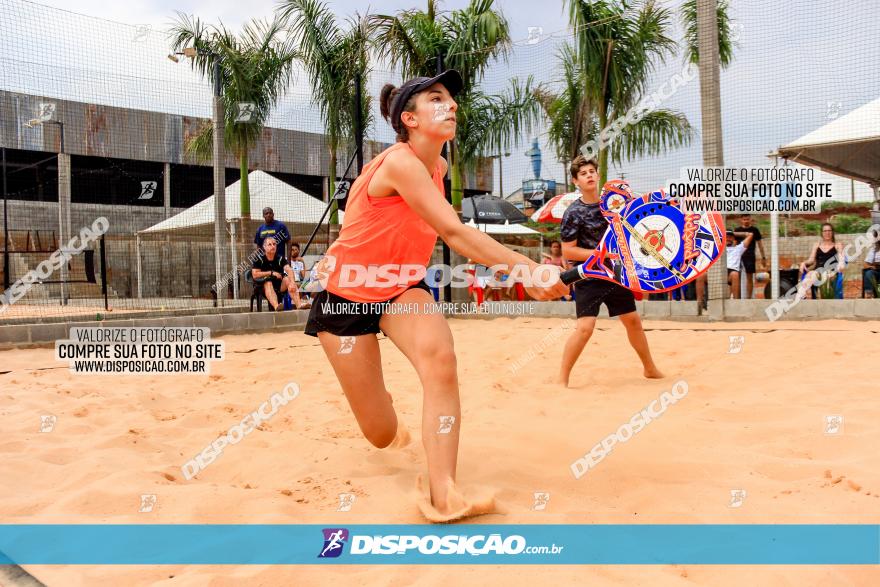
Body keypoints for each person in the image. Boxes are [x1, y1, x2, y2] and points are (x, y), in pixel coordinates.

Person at [303, 70, 568, 522]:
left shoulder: (437, 166)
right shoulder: (400, 162)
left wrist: (530, 272)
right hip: (345, 296)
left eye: (451, 99)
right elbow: (453, 231)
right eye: (436, 99)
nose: (451, 105)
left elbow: (449, 229)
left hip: (402, 286)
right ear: (409, 118)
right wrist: (527, 268)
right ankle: (394, 426)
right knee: (380, 432)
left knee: (441, 361)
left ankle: (443, 489)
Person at [556, 156, 663, 387]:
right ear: (576, 181)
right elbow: (568, 252)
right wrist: (601, 254)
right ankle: (562, 379)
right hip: (590, 275)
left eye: (592, 171)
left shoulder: (616, 205)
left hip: (616, 272)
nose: (590, 175)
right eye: (583, 173)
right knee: (585, 328)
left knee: (632, 320)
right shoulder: (573, 212)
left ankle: (649, 368)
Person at [250, 238, 305, 311]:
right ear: (264, 247)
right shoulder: (259, 259)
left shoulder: (280, 258)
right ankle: (277, 306)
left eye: (274, 244)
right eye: (270, 244)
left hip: (278, 284)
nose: (273, 246)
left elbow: (289, 270)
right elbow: (255, 274)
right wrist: (271, 273)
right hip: (262, 286)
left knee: (288, 279)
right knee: (268, 282)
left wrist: (292, 282)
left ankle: (299, 305)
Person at [799, 222, 845, 299]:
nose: (827, 233)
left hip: (831, 272)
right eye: (825, 231)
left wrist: (841, 264)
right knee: (811, 275)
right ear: (822, 233)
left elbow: (841, 258)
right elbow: (811, 260)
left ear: (832, 232)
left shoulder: (837, 245)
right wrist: (803, 263)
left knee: (824, 276)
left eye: (829, 231)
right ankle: (801, 295)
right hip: (818, 271)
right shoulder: (817, 245)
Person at [735, 214, 766, 299]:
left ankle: (748, 298)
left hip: (750, 256)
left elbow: (760, 245)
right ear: (741, 220)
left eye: (748, 219)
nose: (746, 221)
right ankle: (737, 298)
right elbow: (734, 244)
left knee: (749, 278)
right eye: (744, 219)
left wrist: (763, 257)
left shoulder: (754, 230)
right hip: (739, 256)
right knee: (736, 277)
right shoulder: (737, 230)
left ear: (750, 219)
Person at [726, 229, 755, 299]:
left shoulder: (738, 249)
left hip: (731, 273)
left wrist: (732, 233)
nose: (728, 238)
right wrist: (722, 234)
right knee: (701, 276)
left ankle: (736, 302)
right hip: (719, 272)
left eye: (730, 237)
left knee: (735, 274)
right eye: (726, 237)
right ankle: (700, 303)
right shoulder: (718, 247)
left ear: (733, 238)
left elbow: (750, 235)